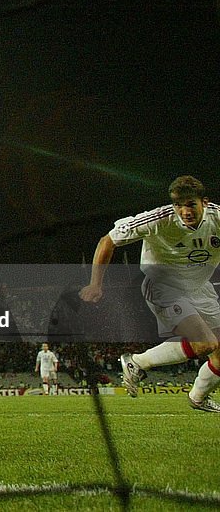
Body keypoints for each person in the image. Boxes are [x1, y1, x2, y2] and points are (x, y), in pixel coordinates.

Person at [80, 175, 220, 412]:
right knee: (204, 344)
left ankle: (198, 398)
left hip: (200, 287)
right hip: (163, 284)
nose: (184, 211)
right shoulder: (158, 219)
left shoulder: (217, 217)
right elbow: (108, 241)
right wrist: (95, 284)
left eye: (190, 204)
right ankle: (136, 362)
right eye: (179, 205)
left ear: (204, 203)